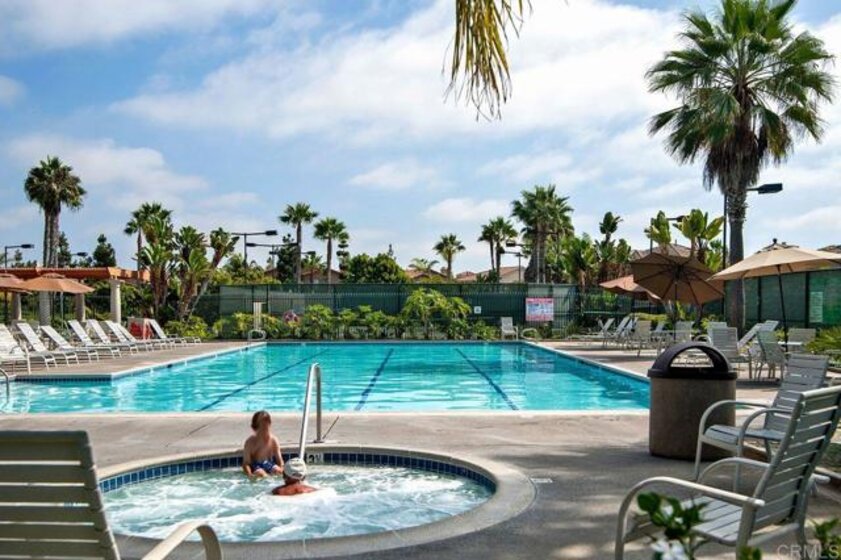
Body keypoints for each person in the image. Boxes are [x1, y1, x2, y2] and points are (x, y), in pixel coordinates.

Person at [242, 410, 284, 478]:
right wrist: (250, 475)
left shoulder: (273, 440)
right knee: (261, 474)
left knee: (278, 471)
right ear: (255, 428)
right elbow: (246, 463)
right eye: (262, 427)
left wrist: (282, 470)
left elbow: (280, 461)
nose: (265, 431)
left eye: (266, 427)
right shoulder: (250, 442)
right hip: (255, 465)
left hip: (268, 463)